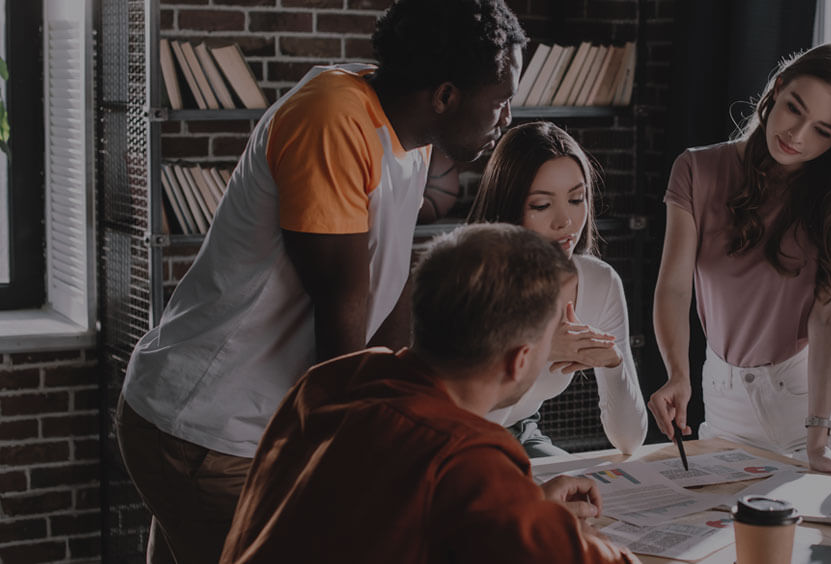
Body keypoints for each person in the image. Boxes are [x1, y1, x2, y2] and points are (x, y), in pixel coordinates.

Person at [115, 1, 526, 562]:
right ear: (445, 95)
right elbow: (342, 312)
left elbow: (393, 281)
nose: (506, 119)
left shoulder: (410, 134)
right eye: (501, 102)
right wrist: (366, 462)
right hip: (213, 431)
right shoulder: (331, 116)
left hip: (243, 428)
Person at [219, 224, 638, 563]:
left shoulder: (327, 383)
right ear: (520, 359)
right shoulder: (467, 456)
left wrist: (526, 509)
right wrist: (551, 527)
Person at [647, 43, 831, 474]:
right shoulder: (696, 170)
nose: (797, 136)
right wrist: (677, 373)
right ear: (777, 89)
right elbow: (675, 286)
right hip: (726, 401)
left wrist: (818, 438)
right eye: (794, 109)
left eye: (823, 131)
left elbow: (829, 317)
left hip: (819, 405)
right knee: (723, 535)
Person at [468, 121, 648, 456]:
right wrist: (540, 353)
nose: (565, 221)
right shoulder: (472, 284)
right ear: (509, 206)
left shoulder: (599, 282)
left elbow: (629, 441)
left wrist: (615, 364)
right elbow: (458, 421)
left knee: (585, 500)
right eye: (541, 205)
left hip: (524, 435)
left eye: (577, 199)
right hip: (459, 444)